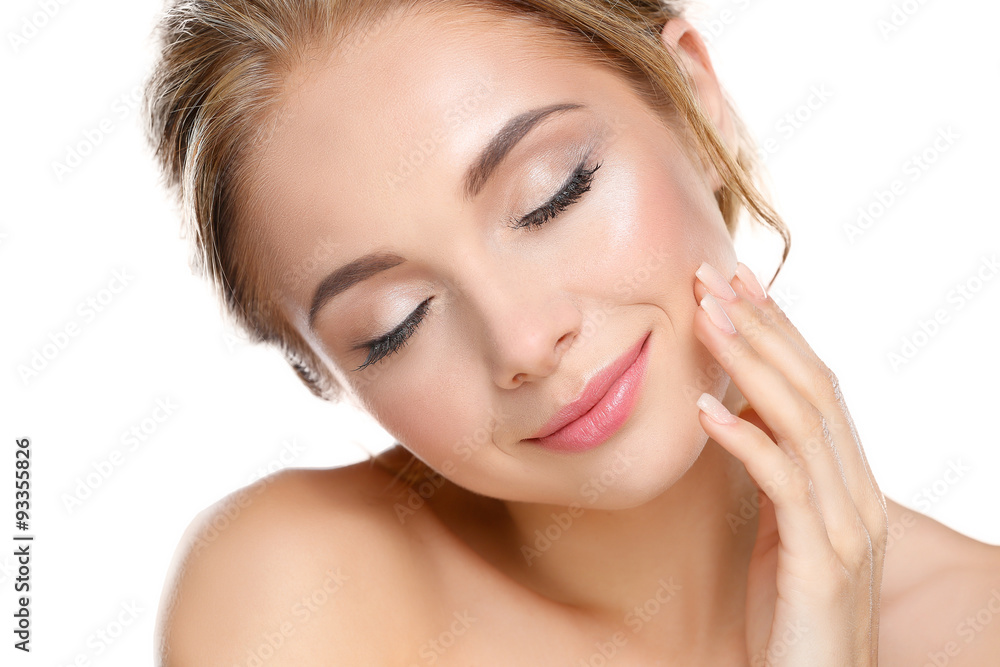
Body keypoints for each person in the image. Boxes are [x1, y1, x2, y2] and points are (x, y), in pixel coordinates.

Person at [143, 1, 1000, 664]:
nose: (521, 341)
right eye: (393, 326)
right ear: (323, 371)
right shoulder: (297, 595)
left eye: (552, 195)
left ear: (693, 98)